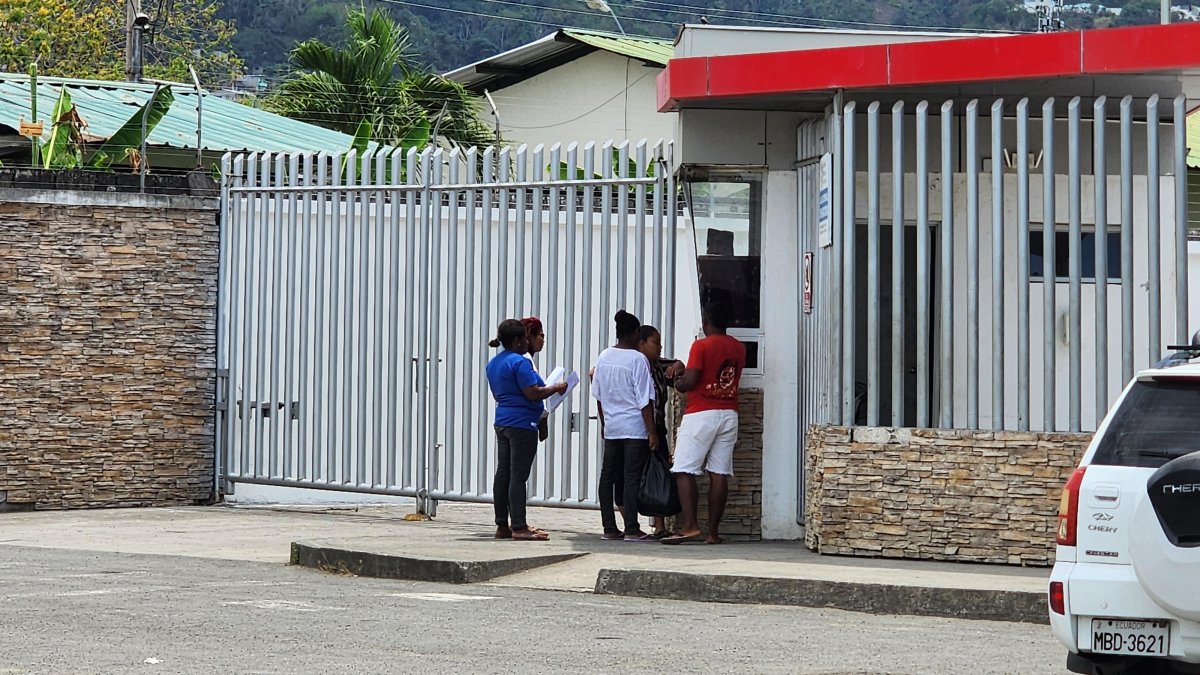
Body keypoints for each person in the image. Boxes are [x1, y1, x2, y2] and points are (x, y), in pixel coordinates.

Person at [662, 302, 745, 545]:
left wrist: (677, 380)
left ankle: (690, 526)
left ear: (706, 322)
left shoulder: (701, 346)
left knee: (684, 468)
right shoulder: (739, 348)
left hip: (701, 413)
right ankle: (713, 533)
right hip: (729, 412)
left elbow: (692, 380)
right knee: (719, 472)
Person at [485, 319, 568, 542]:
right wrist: (556, 387)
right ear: (515, 341)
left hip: (502, 421)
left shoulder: (493, 363)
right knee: (517, 477)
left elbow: (497, 395)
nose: (526, 342)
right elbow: (533, 393)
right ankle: (519, 526)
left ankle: (502, 525)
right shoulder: (520, 362)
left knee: (503, 473)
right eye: (523, 338)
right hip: (522, 424)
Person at [591, 310, 658, 542]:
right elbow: (644, 400)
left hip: (613, 426)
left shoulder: (603, 356)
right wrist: (652, 432)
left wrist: (604, 423)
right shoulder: (637, 359)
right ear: (634, 333)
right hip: (634, 427)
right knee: (631, 477)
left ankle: (609, 527)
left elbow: (598, 395)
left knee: (607, 477)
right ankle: (631, 528)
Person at [636, 324, 685, 538]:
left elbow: (679, 364)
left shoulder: (657, 365)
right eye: (655, 343)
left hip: (657, 425)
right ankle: (630, 522)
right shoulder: (633, 364)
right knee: (633, 473)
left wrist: (678, 366)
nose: (659, 347)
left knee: (659, 471)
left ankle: (659, 524)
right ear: (641, 343)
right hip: (636, 426)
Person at [521, 316, 550, 442]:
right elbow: (534, 392)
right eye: (541, 336)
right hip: (525, 422)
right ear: (530, 337)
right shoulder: (525, 360)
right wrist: (556, 388)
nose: (543, 340)